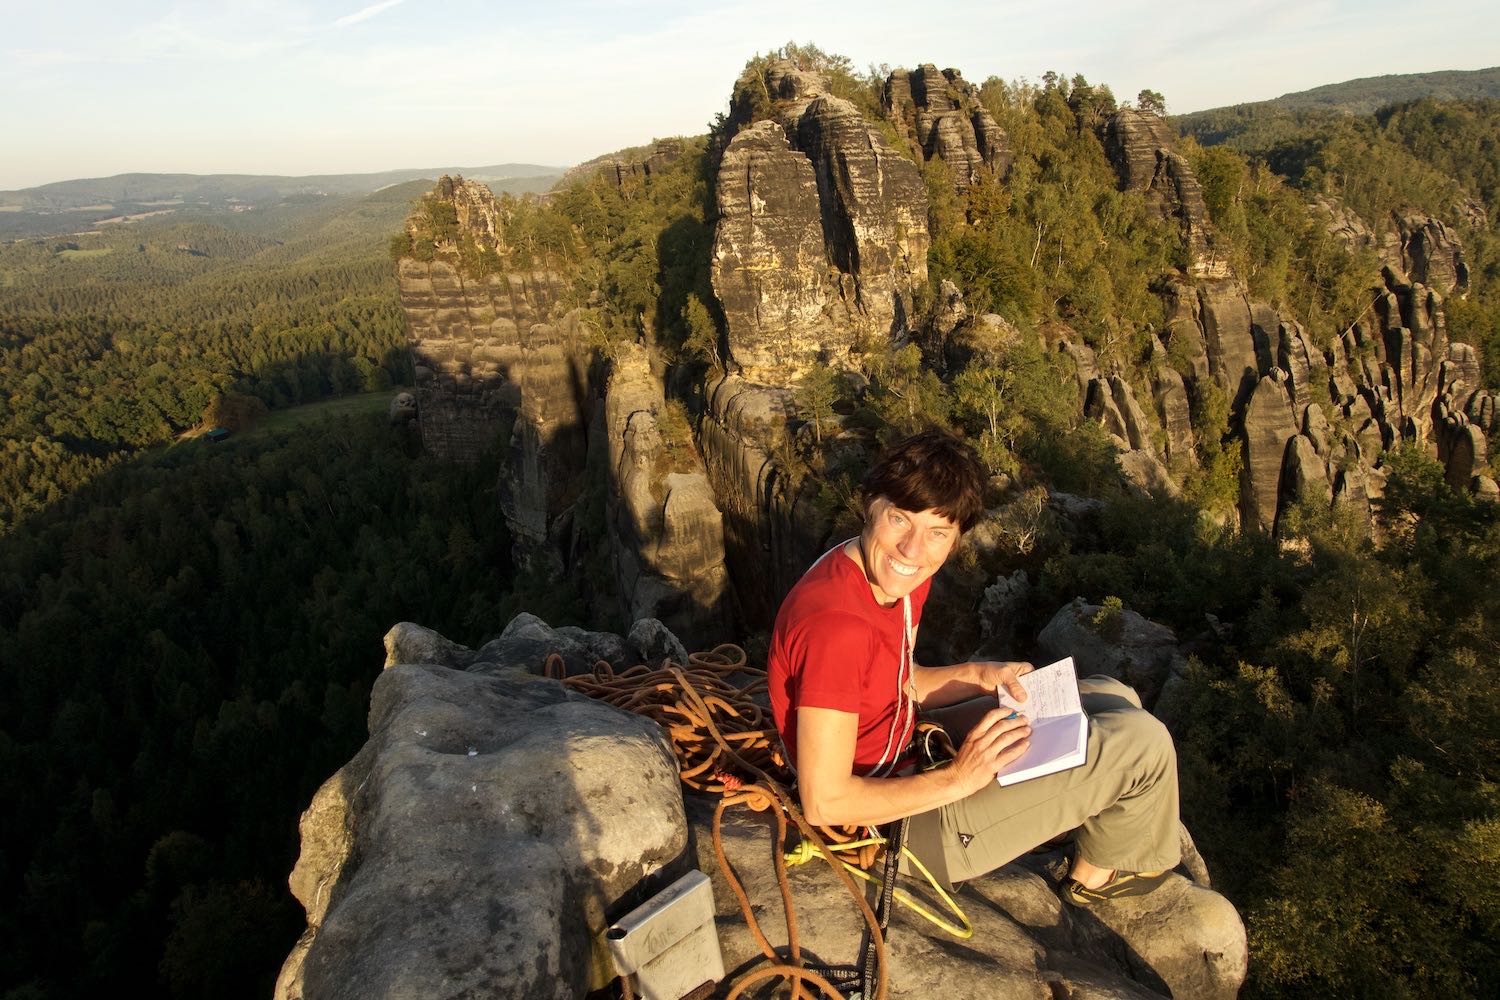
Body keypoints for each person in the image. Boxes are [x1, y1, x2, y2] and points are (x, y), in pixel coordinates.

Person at [767, 428, 1181, 903]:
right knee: (1141, 746)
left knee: (1110, 694)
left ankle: (1063, 804)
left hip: (906, 748)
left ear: (955, 537)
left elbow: (899, 682)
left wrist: (982, 676)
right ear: (871, 506)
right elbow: (825, 801)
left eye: (937, 532)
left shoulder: (884, 574)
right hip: (893, 827)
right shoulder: (837, 627)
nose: (912, 550)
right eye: (899, 520)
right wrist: (960, 778)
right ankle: (1090, 882)